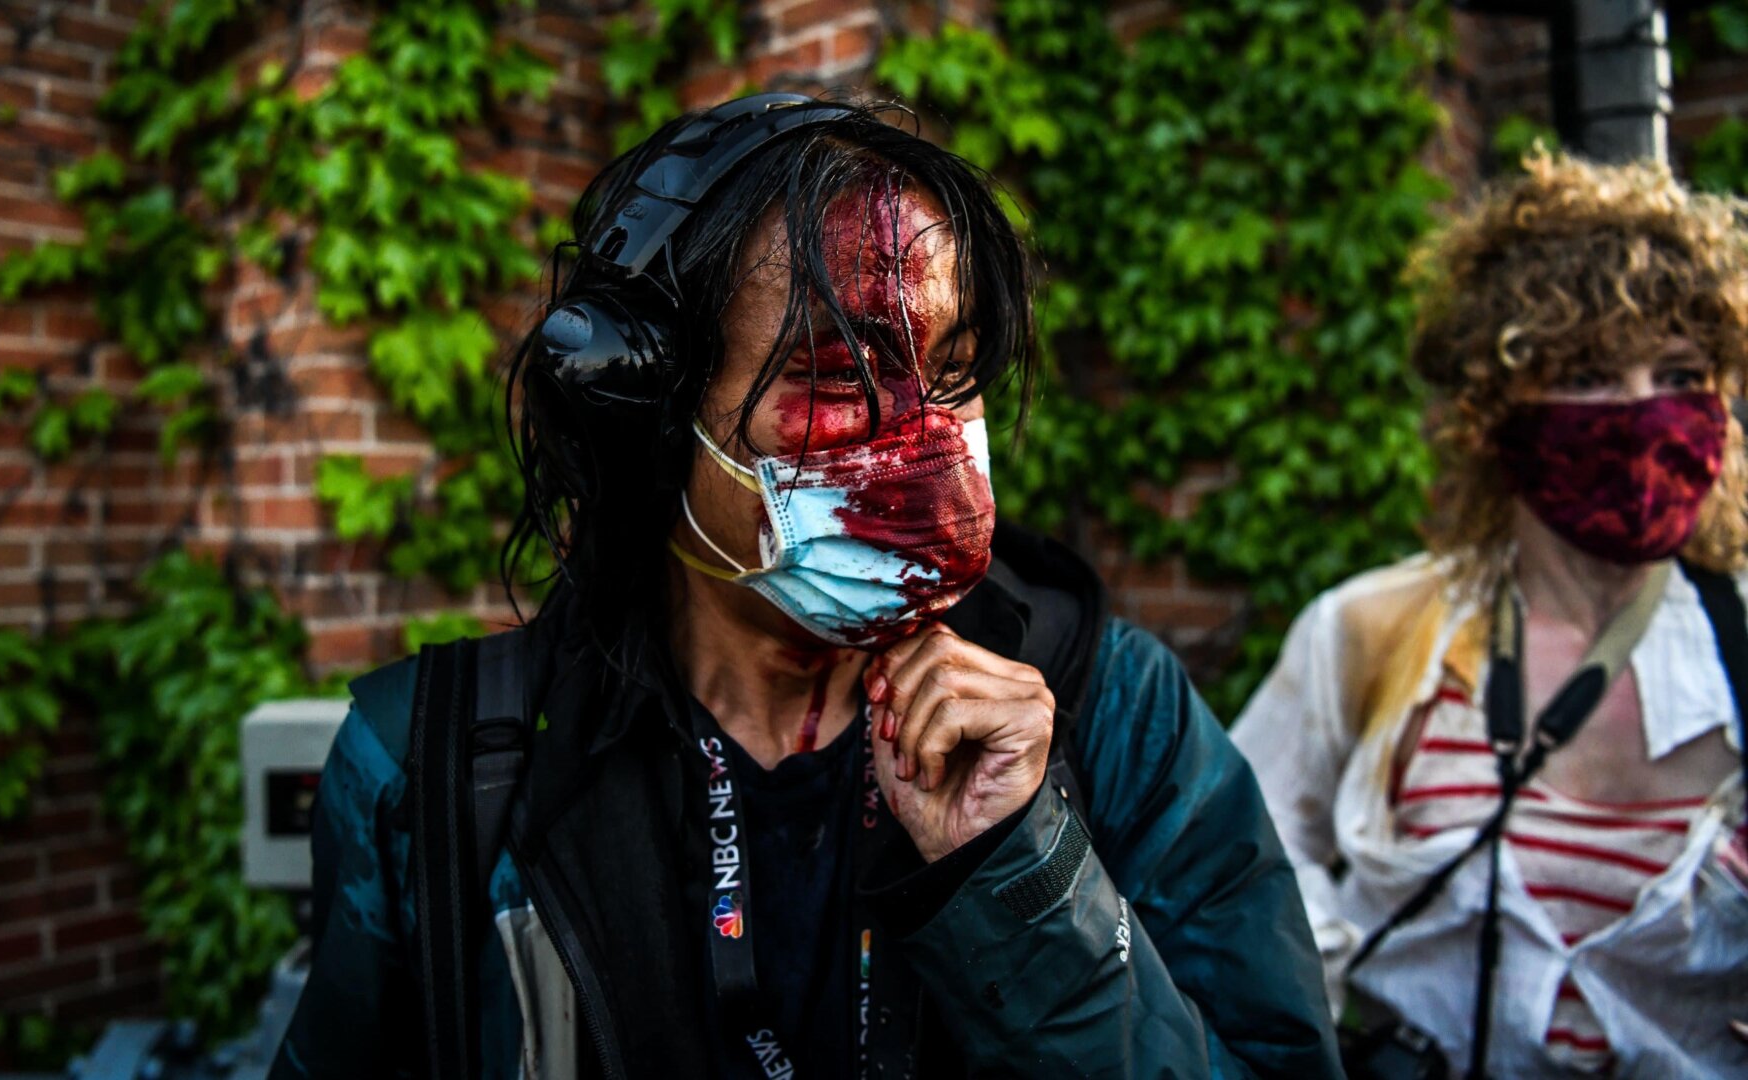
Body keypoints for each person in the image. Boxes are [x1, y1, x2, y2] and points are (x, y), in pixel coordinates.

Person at [274, 94, 1338, 1079]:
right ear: (651, 418)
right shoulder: (435, 769)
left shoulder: (1109, 707)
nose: (932, 447)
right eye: (840, 381)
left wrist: (1026, 876)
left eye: (955, 371)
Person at [1231, 150, 1748, 1078]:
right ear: (1493, 409)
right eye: (1590, 374)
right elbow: (1231, 860)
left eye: (1680, 374)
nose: (1642, 414)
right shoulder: (1369, 634)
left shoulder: (1736, 657)